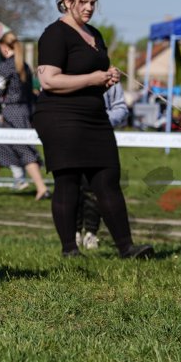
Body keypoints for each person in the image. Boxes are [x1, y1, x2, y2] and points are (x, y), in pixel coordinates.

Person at [31, 0, 152, 259]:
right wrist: (92, 78)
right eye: (83, 2)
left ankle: (127, 248)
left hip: (94, 116)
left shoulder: (95, 35)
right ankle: (70, 250)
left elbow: (92, 77)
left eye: (92, 3)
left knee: (107, 178)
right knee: (68, 181)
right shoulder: (54, 34)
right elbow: (49, 81)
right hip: (60, 117)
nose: (88, 8)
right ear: (67, 2)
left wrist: (106, 80)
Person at [0, 31, 51, 200]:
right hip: (24, 111)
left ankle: (42, 188)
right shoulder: (24, 66)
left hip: (13, 113)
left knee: (24, 150)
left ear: (4, 48)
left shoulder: (5, 67)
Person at [75, 82, 130, 250]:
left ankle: (91, 233)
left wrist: (101, 121)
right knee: (72, 185)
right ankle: (73, 233)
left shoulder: (109, 76)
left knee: (95, 188)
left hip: (99, 137)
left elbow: (121, 108)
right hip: (70, 134)